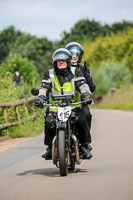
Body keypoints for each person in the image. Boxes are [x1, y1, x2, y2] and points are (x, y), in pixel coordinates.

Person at [34, 48, 93, 160]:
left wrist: (86, 94)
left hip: (74, 105)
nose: (61, 62)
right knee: (48, 122)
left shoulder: (76, 72)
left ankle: (84, 146)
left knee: (81, 120)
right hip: (55, 107)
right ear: (55, 62)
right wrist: (40, 97)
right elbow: (44, 87)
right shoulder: (49, 74)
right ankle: (49, 148)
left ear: (68, 61)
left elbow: (83, 84)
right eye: (58, 60)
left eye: (63, 60)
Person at [65, 42, 96, 152]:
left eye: (76, 54)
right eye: (71, 54)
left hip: (80, 102)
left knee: (86, 115)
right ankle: (51, 146)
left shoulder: (83, 69)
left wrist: (87, 75)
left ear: (79, 56)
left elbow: (92, 88)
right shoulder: (61, 69)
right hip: (62, 102)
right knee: (49, 117)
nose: (73, 57)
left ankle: (84, 143)